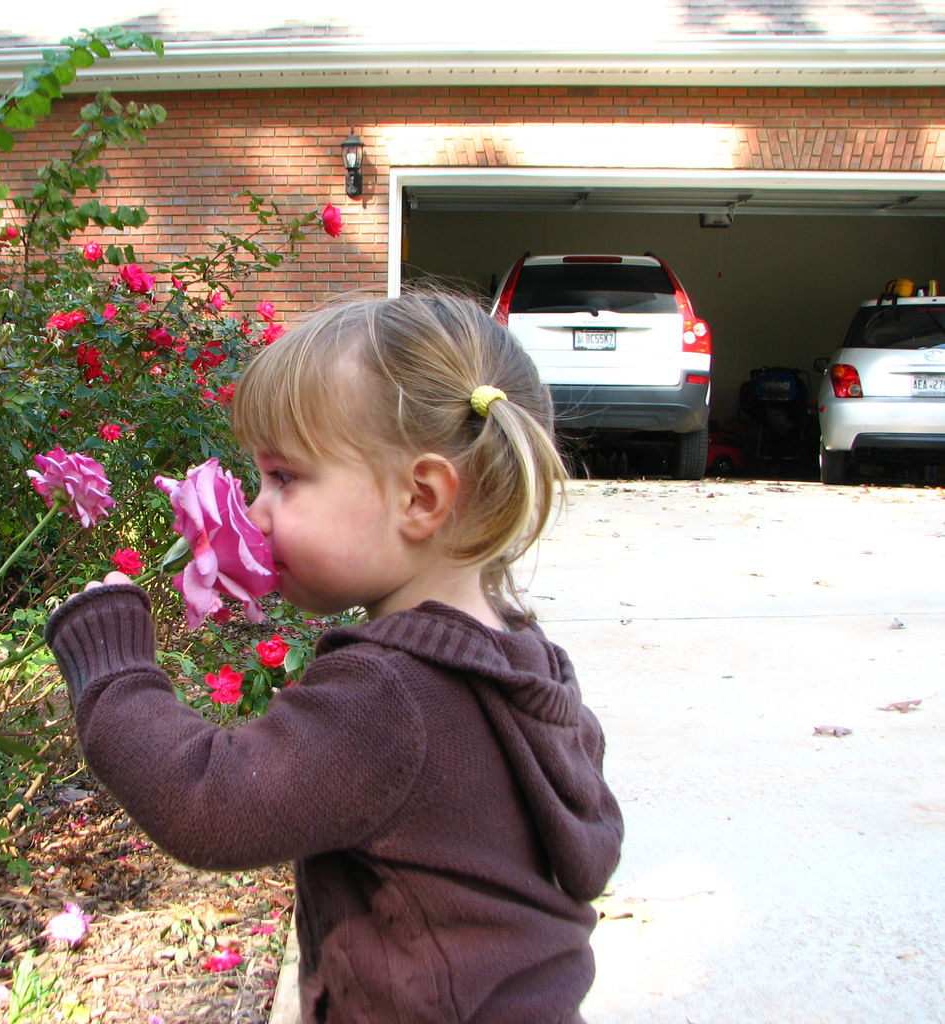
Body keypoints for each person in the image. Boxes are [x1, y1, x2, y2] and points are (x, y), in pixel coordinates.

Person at [46, 291, 624, 1024]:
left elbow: (209, 805)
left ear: (421, 497)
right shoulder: (522, 660)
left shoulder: (390, 695)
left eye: (283, 478)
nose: (254, 511)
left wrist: (113, 671)